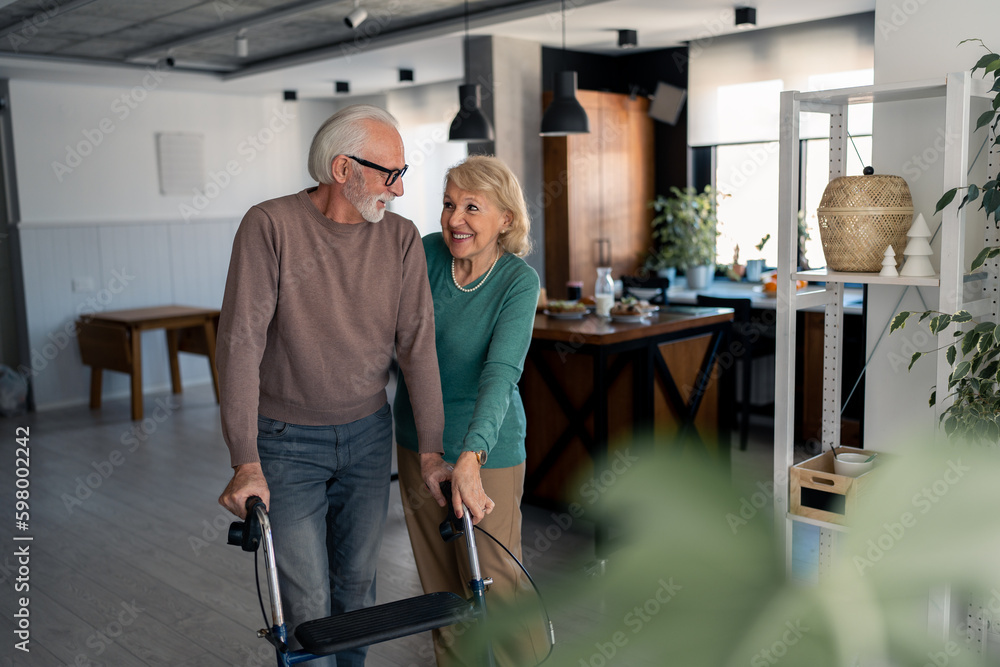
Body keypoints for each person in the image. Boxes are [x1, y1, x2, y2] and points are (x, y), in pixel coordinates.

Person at [216, 104, 444, 667]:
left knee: (358, 589)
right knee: (309, 601)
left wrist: (433, 451)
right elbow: (240, 343)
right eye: (389, 173)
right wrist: (245, 460)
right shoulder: (270, 225)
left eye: (402, 173)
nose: (398, 187)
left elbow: (417, 344)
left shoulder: (401, 238)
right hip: (286, 440)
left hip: (369, 434)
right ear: (344, 169)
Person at [393, 155, 547, 666]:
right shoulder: (425, 253)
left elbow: (501, 373)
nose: (455, 218)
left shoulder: (517, 282)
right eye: (449, 204)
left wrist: (472, 454)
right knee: (442, 595)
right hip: (418, 442)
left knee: (495, 584)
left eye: (472, 207)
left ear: (506, 218)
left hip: (488, 449)